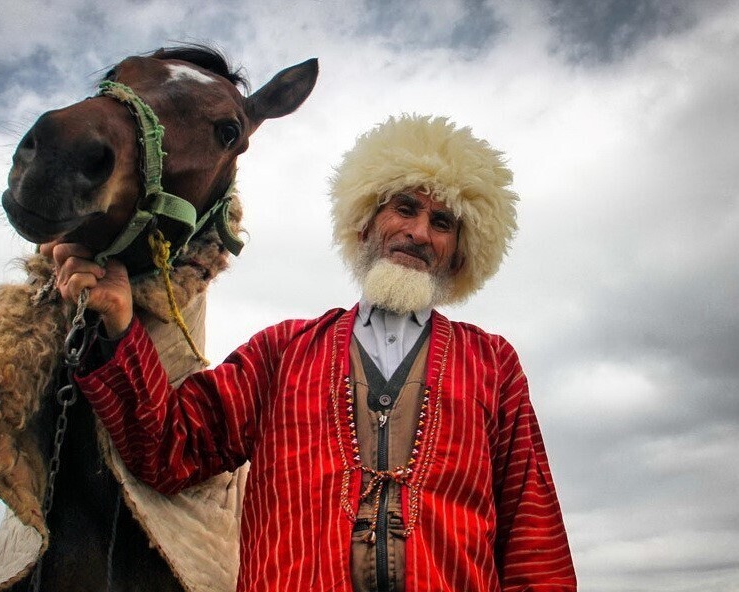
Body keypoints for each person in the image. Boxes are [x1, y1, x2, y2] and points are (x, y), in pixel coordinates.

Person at [47, 114, 577, 591]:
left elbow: (534, 537)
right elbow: (170, 447)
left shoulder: (493, 364)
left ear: (460, 248)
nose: (418, 232)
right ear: (367, 220)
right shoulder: (283, 350)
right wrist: (119, 326)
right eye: (406, 208)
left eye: (443, 223)